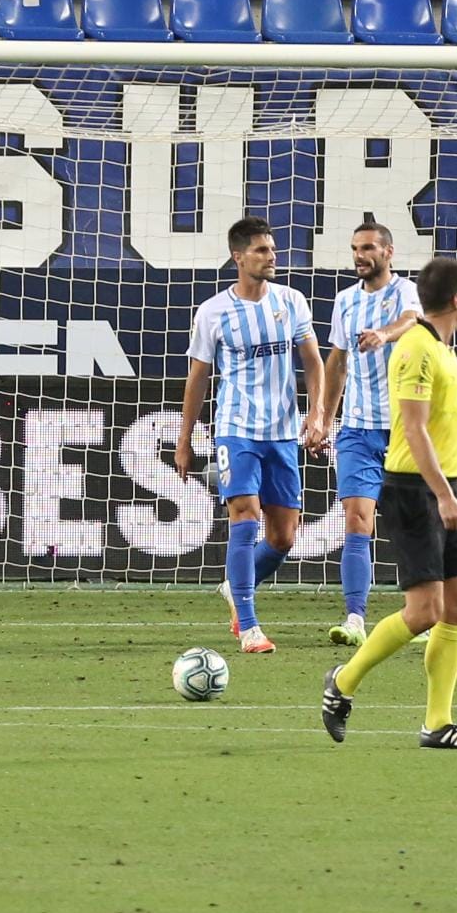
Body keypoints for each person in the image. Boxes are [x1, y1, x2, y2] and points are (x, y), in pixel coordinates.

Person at [320, 258, 457, 750]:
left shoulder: (439, 345)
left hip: (448, 485)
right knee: (423, 612)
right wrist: (442, 495)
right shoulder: (415, 347)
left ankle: (438, 722)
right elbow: (412, 428)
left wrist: (450, 490)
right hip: (416, 490)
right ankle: (342, 683)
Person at [176, 216, 325, 654]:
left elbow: (314, 361)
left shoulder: (292, 301)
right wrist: (185, 439)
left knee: (283, 538)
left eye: (272, 249)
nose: (271, 256)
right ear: (238, 257)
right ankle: (249, 625)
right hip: (235, 429)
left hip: (282, 433)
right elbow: (198, 378)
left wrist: (318, 415)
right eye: (261, 250)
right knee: (245, 516)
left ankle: (235, 588)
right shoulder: (213, 312)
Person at [320, 222, 421, 647]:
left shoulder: (404, 292)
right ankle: (356, 618)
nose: (359, 256)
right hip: (358, 430)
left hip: (403, 429)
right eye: (354, 248)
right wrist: (323, 417)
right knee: (357, 520)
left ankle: (420, 615)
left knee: (412, 525)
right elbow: (337, 363)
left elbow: (412, 319)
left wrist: (384, 333)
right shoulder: (344, 302)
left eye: (367, 248)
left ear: (388, 252)